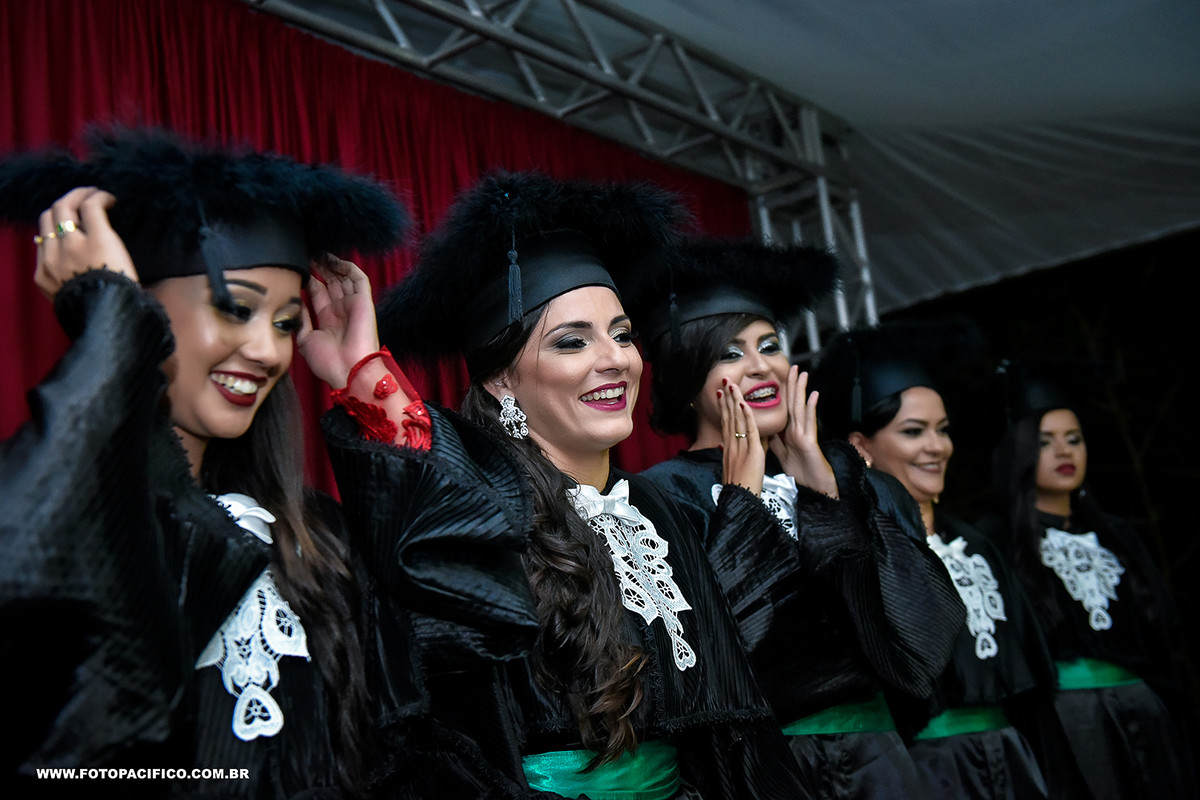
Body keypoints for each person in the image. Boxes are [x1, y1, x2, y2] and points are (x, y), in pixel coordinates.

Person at [0, 127, 536, 800]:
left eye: (284, 323)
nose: (265, 351)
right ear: (138, 305)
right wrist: (108, 323)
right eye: (235, 308)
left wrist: (366, 378)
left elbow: (477, 629)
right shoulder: (88, 523)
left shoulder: (316, 537)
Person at [375, 171, 814, 799]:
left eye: (623, 334)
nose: (615, 359)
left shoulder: (655, 507)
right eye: (572, 341)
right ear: (502, 381)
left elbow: (733, 706)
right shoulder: (480, 520)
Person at [617, 237, 964, 799]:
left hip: (881, 762)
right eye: (731, 353)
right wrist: (741, 500)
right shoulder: (660, 497)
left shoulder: (856, 480)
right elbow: (709, 659)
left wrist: (826, 499)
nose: (762, 367)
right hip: (766, 770)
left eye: (770, 345)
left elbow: (920, 639)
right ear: (686, 378)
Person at [812, 322, 1057, 800]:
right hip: (919, 771)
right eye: (914, 431)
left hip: (1011, 760)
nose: (937, 446)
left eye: (942, 430)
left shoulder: (978, 545)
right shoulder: (856, 552)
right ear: (861, 447)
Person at [977, 362, 1198, 798]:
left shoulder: (1117, 534)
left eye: (1073, 439)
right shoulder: (997, 541)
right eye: (1046, 442)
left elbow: (1162, 636)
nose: (1064, 452)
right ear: (1019, 451)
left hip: (1143, 711)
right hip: (1065, 723)